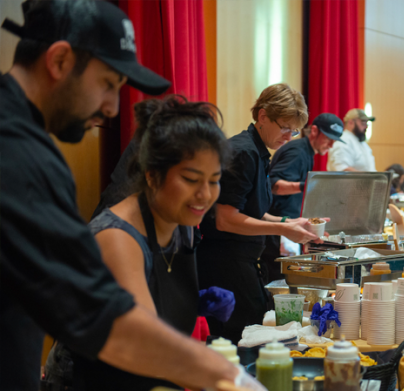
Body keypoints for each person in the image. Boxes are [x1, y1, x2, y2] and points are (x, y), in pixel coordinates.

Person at [0, 2, 261, 391]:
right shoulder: (20, 154)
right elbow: (108, 320)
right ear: (58, 60)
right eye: (108, 83)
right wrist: (228, 376)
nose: (111, 108)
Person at [46, 95, 237, 390]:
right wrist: (223, 374)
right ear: (152, 175)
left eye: (214, 180)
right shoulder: (117, 236)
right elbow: (143, 339)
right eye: (190, 178)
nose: (204, 195)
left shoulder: (180, 219)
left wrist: (192, 302)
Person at [197, 83, 319, 343]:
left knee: (254, 330)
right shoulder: (244, 152)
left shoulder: (259, 152)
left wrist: (291, 221)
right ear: (262, 116)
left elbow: (253, 211)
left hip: (242, 259)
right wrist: (283, 229)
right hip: (226, 262)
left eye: (294, 130)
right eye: (285, 127)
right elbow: (226, 218)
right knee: (243, 338)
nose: (288, 136)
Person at [261, 113, 345, 283]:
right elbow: (274, 185)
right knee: (279, 281)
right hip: (278, 228)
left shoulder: (305, 151)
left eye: (334, 139)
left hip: (286, 226)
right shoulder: (298, 151)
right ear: (314, 130)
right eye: (328, 138)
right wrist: (308, 186)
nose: (331, 144)